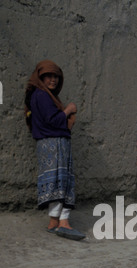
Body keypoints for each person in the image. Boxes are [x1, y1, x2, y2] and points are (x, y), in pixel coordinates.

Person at [25, 60, 85, 241]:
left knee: (55, 181)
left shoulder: (39, 95)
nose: (53, 80)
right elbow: (53, 120)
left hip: (47, 144)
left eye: (56, 77)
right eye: (49, 76)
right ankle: (64, 222)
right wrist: (68, 110)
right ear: (41, 77)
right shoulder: (42, 95)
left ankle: (53, 221)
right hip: (55, 144)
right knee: (63, 181)